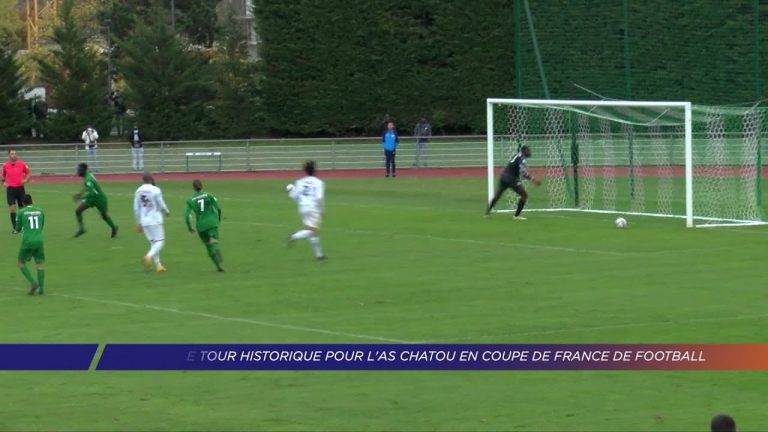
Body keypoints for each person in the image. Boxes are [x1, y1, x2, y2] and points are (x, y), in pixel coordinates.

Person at [485, 145, 541, 220]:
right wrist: (533, 179)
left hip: (503, 177)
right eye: (528, 151)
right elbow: (523, 173)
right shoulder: (522, 158)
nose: (530, 152)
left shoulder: (516, 155)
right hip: (511, 179)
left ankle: (487, 213)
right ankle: (516, 216)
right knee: (524, 195)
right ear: (524, 151)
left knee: (498, 195)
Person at [287, 160, 326, 261]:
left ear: (305, 170)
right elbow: (319, 198)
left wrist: (291, 190)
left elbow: (295, 197)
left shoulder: (300, 182)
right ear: (315, 170)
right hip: (313, 208)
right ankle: (294, 236)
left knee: (311, 232)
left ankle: (319, 255)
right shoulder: (319, 183)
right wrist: (322, 210)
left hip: (302, 208)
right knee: (311, 231)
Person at [185, 179, 224, 272]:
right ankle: (216, 249)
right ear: (202, 186)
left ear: (193, 187)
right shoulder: (209, 195)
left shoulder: (190, 200)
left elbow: (187, 215)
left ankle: (218, 266)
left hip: (201, 226)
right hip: (211, 223)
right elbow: (218, 208)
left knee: (208, 246)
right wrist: (218, 219)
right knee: (214, 241)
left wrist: (190, 228)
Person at [134, 173, 170, 273]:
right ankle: (148, 256)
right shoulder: (155, 190)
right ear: (151, 179)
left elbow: (136, 209)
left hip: (144, 221)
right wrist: (166, 211)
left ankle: (158, 265)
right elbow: (161, 203)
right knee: (160, 241)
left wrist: (138, 223)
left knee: (153, 243)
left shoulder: (138, 191)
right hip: (155, 219)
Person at [72, 163, 118, 238]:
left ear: (83, 171)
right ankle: (82, 229)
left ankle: (114, 228)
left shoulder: (88, 179)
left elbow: (92, 192)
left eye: (79, 170)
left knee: (104, 216)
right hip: (92, 198)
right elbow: (87, 187)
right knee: (78, 211)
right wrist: (80, 194)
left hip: (99, 199)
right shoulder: (87, 176)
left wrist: (81, 197)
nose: (77, 171)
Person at [15, 194, 45, 295]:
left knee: (20, 263)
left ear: (23, 203)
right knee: (39, 263)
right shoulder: (40, 211)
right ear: (32, 201)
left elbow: (18, 228)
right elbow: (41, 226)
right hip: (39, 239)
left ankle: (33, 283)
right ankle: (41, 289)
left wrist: (16, 230)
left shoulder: (20, 212)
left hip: (28, 240)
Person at [2, 149, 31, 234]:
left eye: (15, 154)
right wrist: (3, 182)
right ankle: (15, 228)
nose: (14, 155)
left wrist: (26, 180)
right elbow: (3, 176)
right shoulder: (5, 166)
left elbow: (28, 173)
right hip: (10, 190)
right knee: (12, 209)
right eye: (12, 154)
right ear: (9, 155)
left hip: (20, 189)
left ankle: (23, 226)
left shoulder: (22, 164)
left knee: (22, 209)